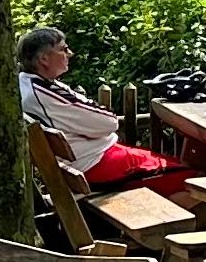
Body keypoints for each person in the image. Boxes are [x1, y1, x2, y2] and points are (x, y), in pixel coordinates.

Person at [17, 26, 193, 200]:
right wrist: (98, 113)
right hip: (94, 164)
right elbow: (108, 123)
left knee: (177, 167)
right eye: (63, 49)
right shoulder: (44, 93)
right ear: (44, 59)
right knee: (191, 180)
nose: (70, 53)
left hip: (86, 161)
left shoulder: (26, 85)